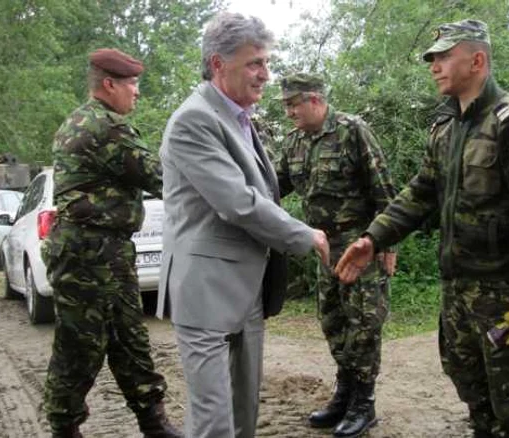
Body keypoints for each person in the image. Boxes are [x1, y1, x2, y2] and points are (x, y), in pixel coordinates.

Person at [335, 19, 509, 438]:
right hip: (456, 285)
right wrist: (373, 238)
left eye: (443, 57)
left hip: (503, 292)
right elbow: (420, 193)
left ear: (477, 60)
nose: (434, 66)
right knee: (468, 383)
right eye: (431, 59)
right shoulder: (445, 127)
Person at [156, 13, 330, 438]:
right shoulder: (193, 120)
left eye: (266, 63)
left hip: (245, 288)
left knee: (243, 413)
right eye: (255, 63)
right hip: (205, 291)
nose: (266, 75)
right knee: (214, 421)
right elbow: (238, 203)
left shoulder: (237, 117)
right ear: (218, 64)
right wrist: (303, 234)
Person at [42, 48, 182, 438]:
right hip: (89, 254)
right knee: (80, 347)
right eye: (133, 84)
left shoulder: (80, 120)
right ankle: (64, 428)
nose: (137, 92)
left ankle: (153, 422)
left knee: (129, 339)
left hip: (105, 251)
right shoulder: (106, 127)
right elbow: (164, 179)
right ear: (109, 84)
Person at [275, 73, 397, 437]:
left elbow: (384, 188)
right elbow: (274, 186)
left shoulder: (351, 130)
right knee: (333, 323)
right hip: (325, 250)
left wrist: (387, 242)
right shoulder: (294, 141)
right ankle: (344, 393)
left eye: (294, 104)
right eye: (286, 105)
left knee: (364, 326)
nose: (289, 112)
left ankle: (364, 402)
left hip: (361, 247)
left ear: (315, 99)